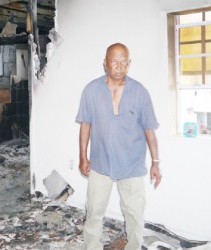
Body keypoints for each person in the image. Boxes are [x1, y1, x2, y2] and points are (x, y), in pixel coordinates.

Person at [76, 43, 162, 250]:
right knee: (94, 212)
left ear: (129, 63)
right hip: (100, 163)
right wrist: (83, 157)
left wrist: (156, 163)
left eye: (124, 62)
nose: (119, 67)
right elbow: (85, 126)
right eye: (114, 61)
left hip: (131, 165)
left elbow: (149, 130)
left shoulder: (140, 92)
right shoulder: (91, 90)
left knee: (134, 214)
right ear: (105, 63)